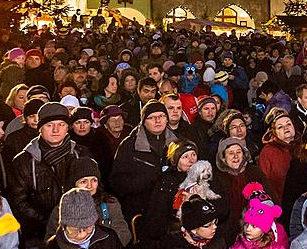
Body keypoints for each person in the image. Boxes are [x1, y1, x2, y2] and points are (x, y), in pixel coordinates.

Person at [9, 101, 91, 244]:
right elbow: (19, 202)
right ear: (40, 128)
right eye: (49, 125)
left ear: (67, 128)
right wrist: (51, 221)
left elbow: (94, 190)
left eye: (61, 124)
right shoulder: (24, 161)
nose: (55, 130)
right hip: (38, 233)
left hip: (80, 230)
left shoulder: (81, 154)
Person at [109, 99, 178, 238]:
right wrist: (145, 181)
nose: (158, 121)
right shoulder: (129, 145)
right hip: (141, 213)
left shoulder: (177, 143)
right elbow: (116, 181)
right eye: (152, 117)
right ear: (144, 121)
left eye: (162, 116)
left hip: (171, 213)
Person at [45, 157, 131, 246]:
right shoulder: (61, 208)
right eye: (83, 181)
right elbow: (51, 238)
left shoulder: (110, 203)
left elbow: (123, 233)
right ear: (74, 184)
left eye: (94, 180)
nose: (89, 186)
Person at [145, 139, 200, 248]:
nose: (191, 160)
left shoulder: (203, 177)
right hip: (174, 236)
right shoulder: (166, 181)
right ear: (176, 160)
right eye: (185, 157)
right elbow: (157, 218)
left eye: (193, 155)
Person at [211, 137, 266, 244]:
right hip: (227, 232)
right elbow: (217, 210)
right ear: (223, 158)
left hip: (255, 228)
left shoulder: (254, 172)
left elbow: (268, 199)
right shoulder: (217, 178)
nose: (235, 156)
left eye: (238, 152)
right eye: (230, 153)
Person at [47, 187, 122, 249]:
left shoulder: (109, 238)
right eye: (75, 230)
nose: (82, 235)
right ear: (64, 227)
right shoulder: (53, 246)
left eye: (87, 227)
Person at [258, 109, 297, 205]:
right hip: (279, 204)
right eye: (280, 127)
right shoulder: (268, 152)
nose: (286, 128)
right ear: (274, 132)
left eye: (288, 124)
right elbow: (264, 182)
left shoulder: (303, 146)